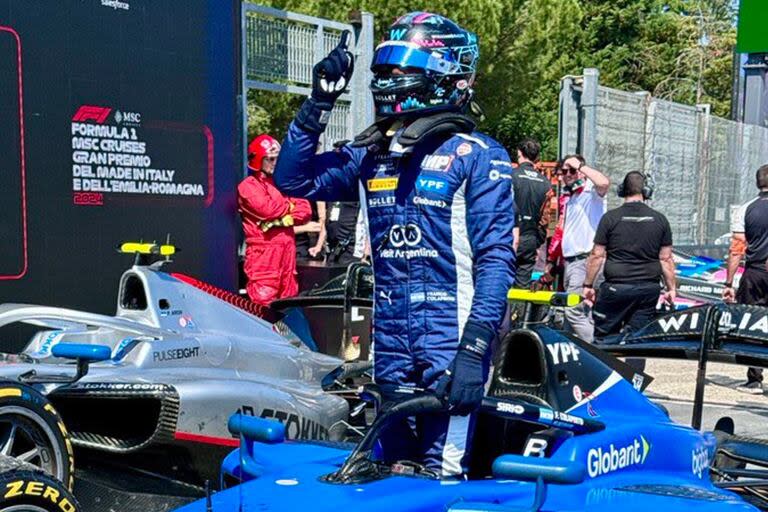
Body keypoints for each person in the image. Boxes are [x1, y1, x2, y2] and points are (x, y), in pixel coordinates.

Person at [273, 13, 515, 476]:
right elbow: (293, 180)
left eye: (399, 72)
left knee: (440, 477)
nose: (387, 82)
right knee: (388, 475)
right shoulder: (371, 154)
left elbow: (496, 262)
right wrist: (318, 103)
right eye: (383, 73)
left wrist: (473, 350)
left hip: (453, 341)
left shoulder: (478, 154)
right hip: (391, 343)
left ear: (443, 73)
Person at [583, 172, 676, 344]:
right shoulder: (660, 220)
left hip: (616, 288)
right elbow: (665, 259)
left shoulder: (610, 218)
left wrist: (588, 285)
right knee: (639, 340)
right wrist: (671, 288)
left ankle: (608, 370)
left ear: (622, 190)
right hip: (648, 289)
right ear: (647, 191)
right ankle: (634, 371)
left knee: (605, 338)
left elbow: (597, 255)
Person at [541, 155, 609, 341]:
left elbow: (603, 183)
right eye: (564, 171)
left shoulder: (590, 192)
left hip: (584, 260)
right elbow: (562, 234)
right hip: (571, 262)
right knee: (571, 317)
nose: (568, 174)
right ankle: (579, 361)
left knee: (574, 312)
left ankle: (598, 354)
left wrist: (579, 165)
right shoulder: (570, 197)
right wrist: (551, 263)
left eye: (572, 170)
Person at [238, 134, 312, 306]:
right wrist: (289, 207)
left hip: (287, 253)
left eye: (277, 159)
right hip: (264, 257)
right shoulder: (248, 186)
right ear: (258, 161)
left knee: (289, 304)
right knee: (263, 305)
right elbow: (268, 210)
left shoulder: (285, 184)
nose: (275, 164)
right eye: (270, 159)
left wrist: (280, 219)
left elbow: (305, 210)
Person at [723, 164, 768, 393]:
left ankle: (754, 378)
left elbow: (736, 249)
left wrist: (729, 283)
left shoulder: (745, 209)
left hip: (755, 272)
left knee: (751, 323)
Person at [511, 138, 554, 288]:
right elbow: (545, 217)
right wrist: (538, 240)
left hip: (508, 235)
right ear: (537, 158)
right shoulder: (545, 182)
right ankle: (519, 312)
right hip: (530, 238)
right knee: (522, 286)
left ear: (519, 154)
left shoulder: (511, 176)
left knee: (500, 283)